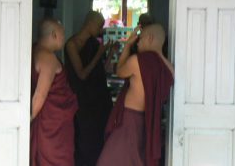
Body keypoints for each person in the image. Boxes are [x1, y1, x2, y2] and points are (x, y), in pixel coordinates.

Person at [96, 24, 174, 166]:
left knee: (107, 161)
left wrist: (127, 45)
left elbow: (119, 71)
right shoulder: (168, 68)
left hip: (128, 121)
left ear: (150, 38)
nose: (137, 42)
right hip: (147, 123)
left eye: (140, 38)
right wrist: (159, 52)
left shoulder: (137, 61)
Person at [64, 11, 113, 166]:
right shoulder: (72, 44)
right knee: (85, 139)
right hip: (84, 101)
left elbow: (101, 70)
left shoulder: (94, 43)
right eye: (99, 26)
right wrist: (99, 54)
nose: (100, 30)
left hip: (99, 99)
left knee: (100, 138)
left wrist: (110, 54)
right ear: (89, 23)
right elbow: (82, 74)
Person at [30, 18, 78, 166]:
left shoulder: (34, 49)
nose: (64, 38)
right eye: (62, 34)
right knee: (57, 159)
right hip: (51, 125)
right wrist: (29, 119)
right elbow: (40, 94)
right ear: (54, 35)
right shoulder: (48, 58)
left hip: (51, 119)